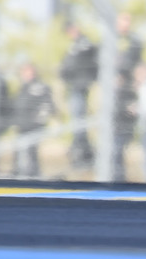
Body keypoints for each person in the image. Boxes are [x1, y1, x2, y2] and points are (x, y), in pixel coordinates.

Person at [60, 22, 98, 168]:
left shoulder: (84, 44)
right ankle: (80, 152)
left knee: (79, 122)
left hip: (80, 86)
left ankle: (84, 155)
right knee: (77, 122)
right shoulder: (74, 46)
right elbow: (66, 66)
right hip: (75, 86)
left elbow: (84, 61)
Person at [112, 12, 144, 182]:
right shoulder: (110, 40)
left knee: (121, 141)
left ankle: (118, 176)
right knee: (112, 141)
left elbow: (134, 67)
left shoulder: (134, 43)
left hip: (127, 96)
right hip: (113, 98)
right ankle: (114, 174)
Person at [12, 62, 55, 177]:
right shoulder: (23, 87)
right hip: (21, 126)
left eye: (27, 71)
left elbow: (47, 105)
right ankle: (18, 174)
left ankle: (34, 176)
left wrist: (39, 121)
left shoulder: (40, 87)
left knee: (32, 152)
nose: (25, 74)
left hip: (33, 127)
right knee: (18, 152)